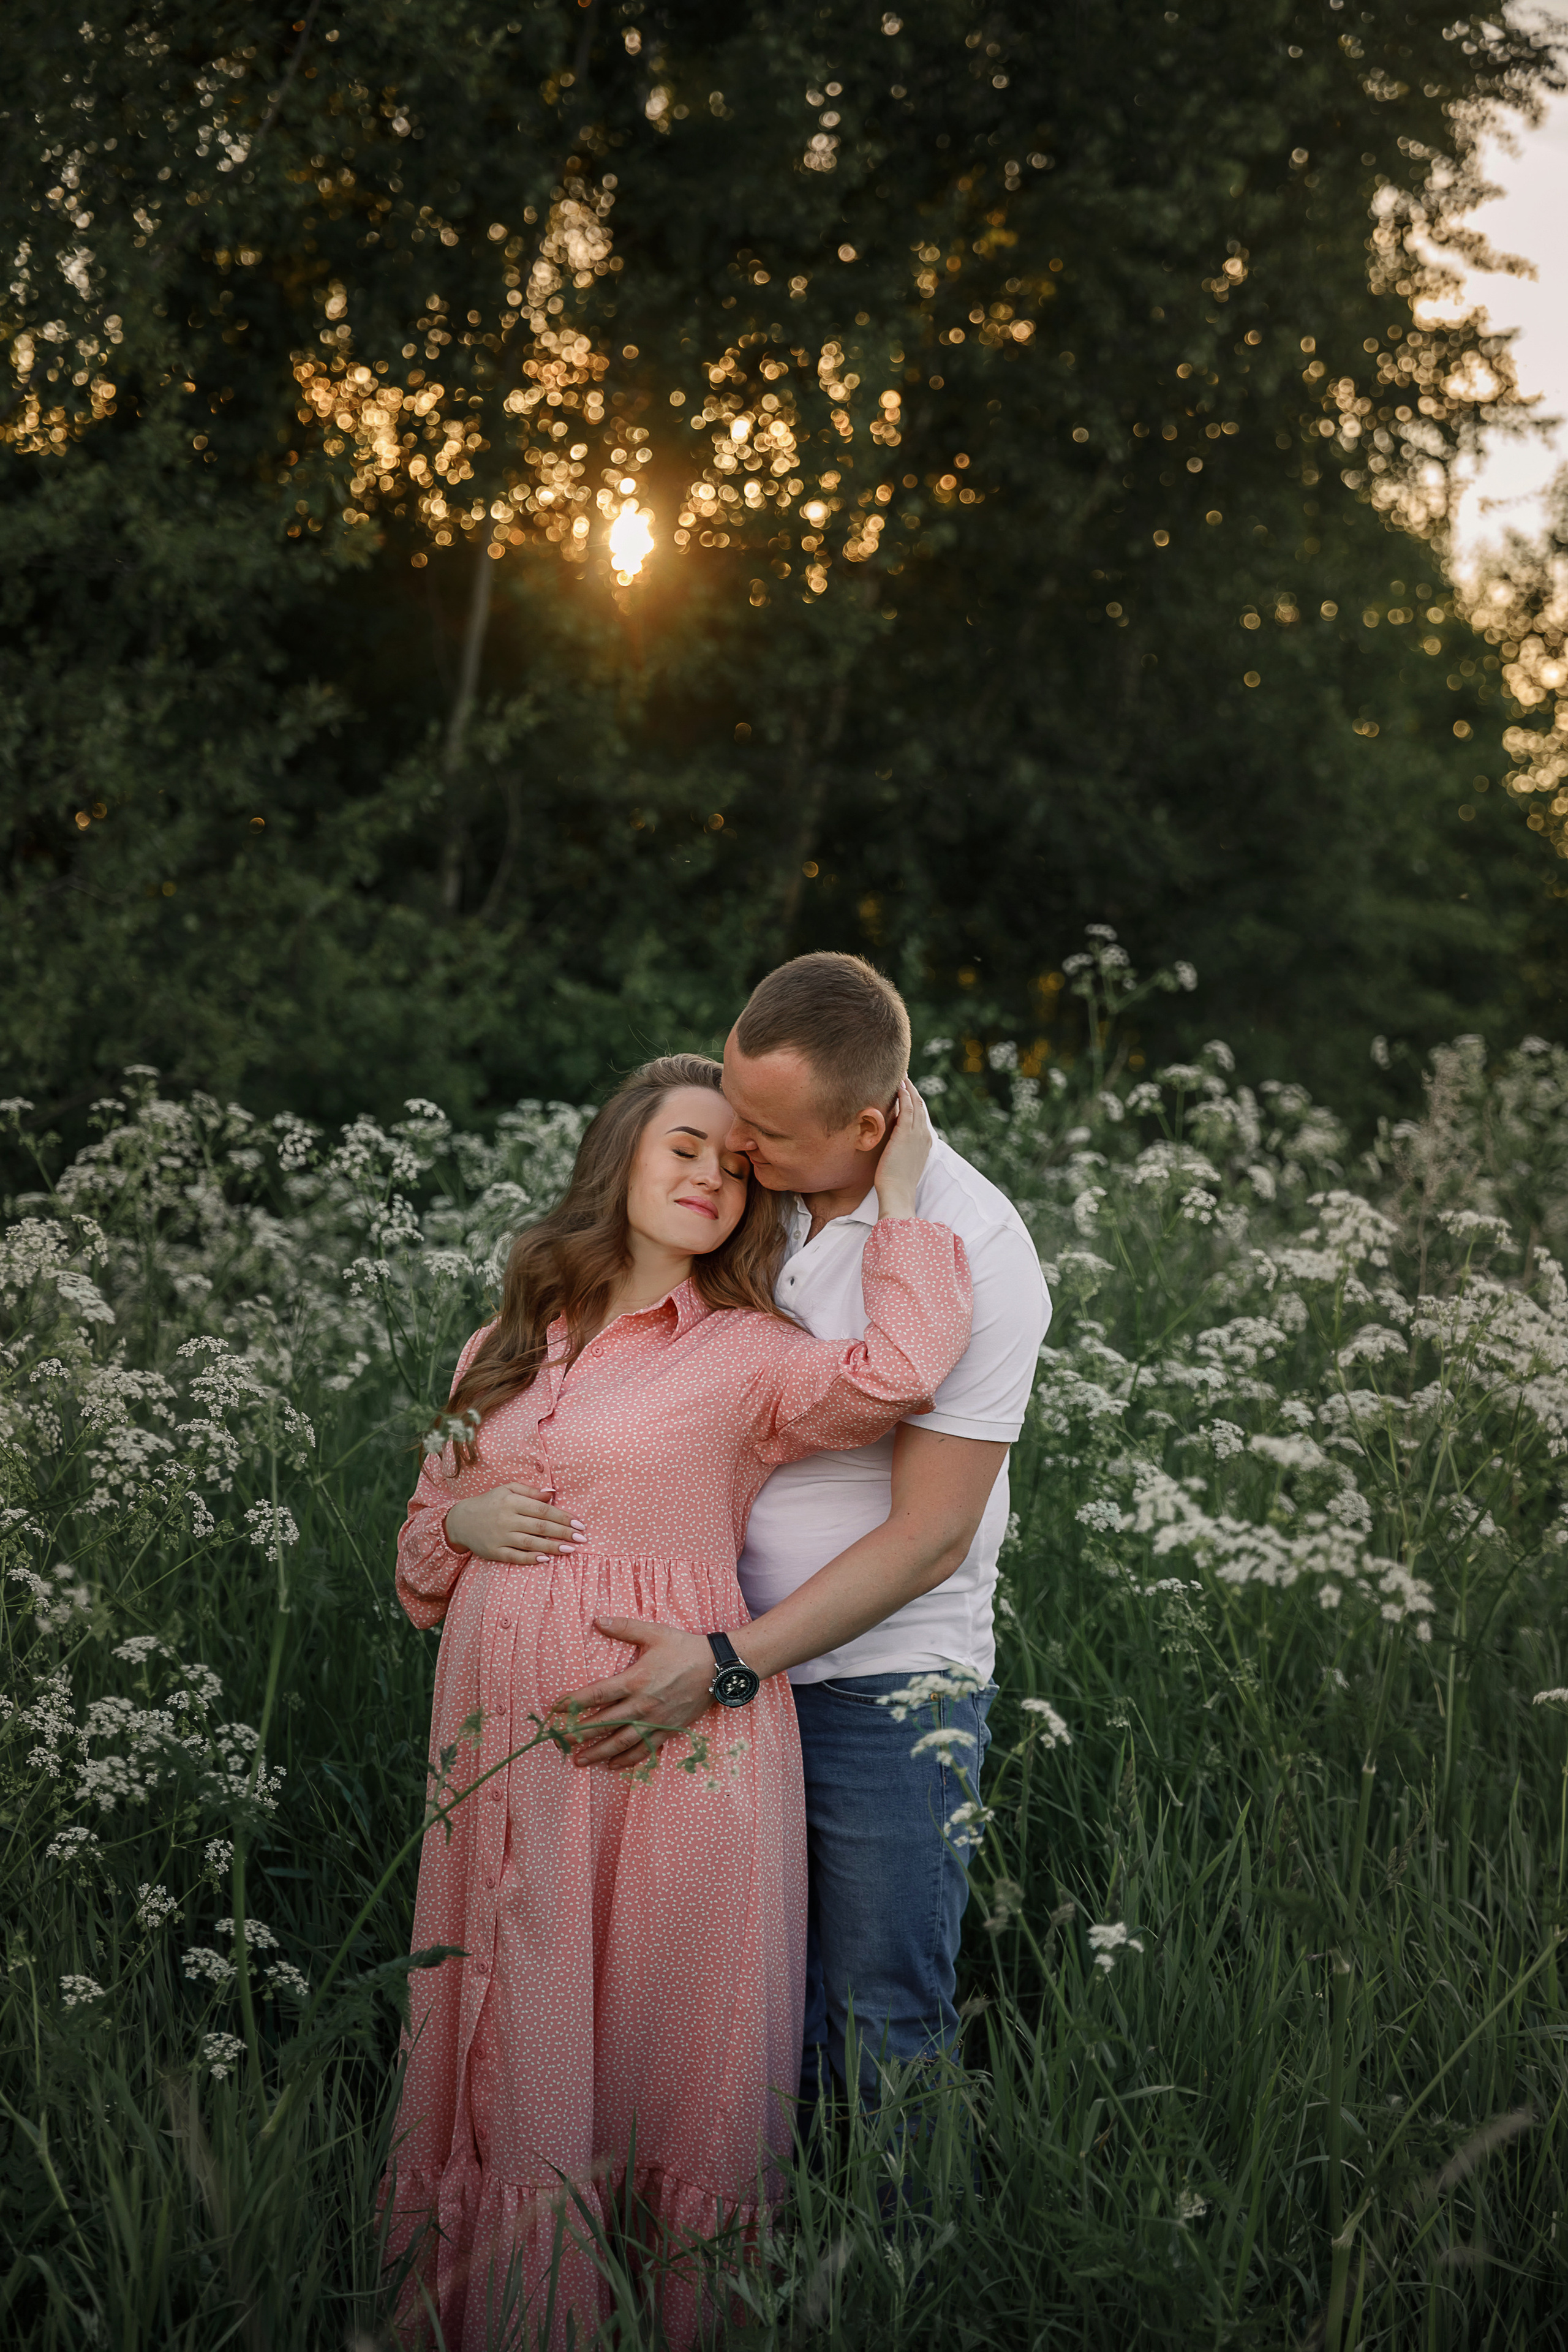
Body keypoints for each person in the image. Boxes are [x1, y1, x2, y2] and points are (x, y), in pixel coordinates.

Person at [381, 1052, 971, 2351]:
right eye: (683, 1149)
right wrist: (462, 1523)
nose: (711, 1177)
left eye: (733, 1165)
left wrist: (905, 1196)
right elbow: (420, 1546)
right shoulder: (500, 1344)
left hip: (671, 1753)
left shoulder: (749, 1356)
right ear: (621, 1160)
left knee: (665, 2040)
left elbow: (901, 1374)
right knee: (514, 2013)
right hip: (496, 1764)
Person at [559, 956, 1051, 2112]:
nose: (737, 1144)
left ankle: (888, 2235)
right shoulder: (753, 1195)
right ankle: (753, 2231)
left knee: (883, 2020)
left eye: (768, 1132)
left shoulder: (976, 1245)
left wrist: (726, 1663)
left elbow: (932, 1538)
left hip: (878, 1687)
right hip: (708, 1662)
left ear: (869, 1127)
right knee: (743, 2011)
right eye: (735, 1105)